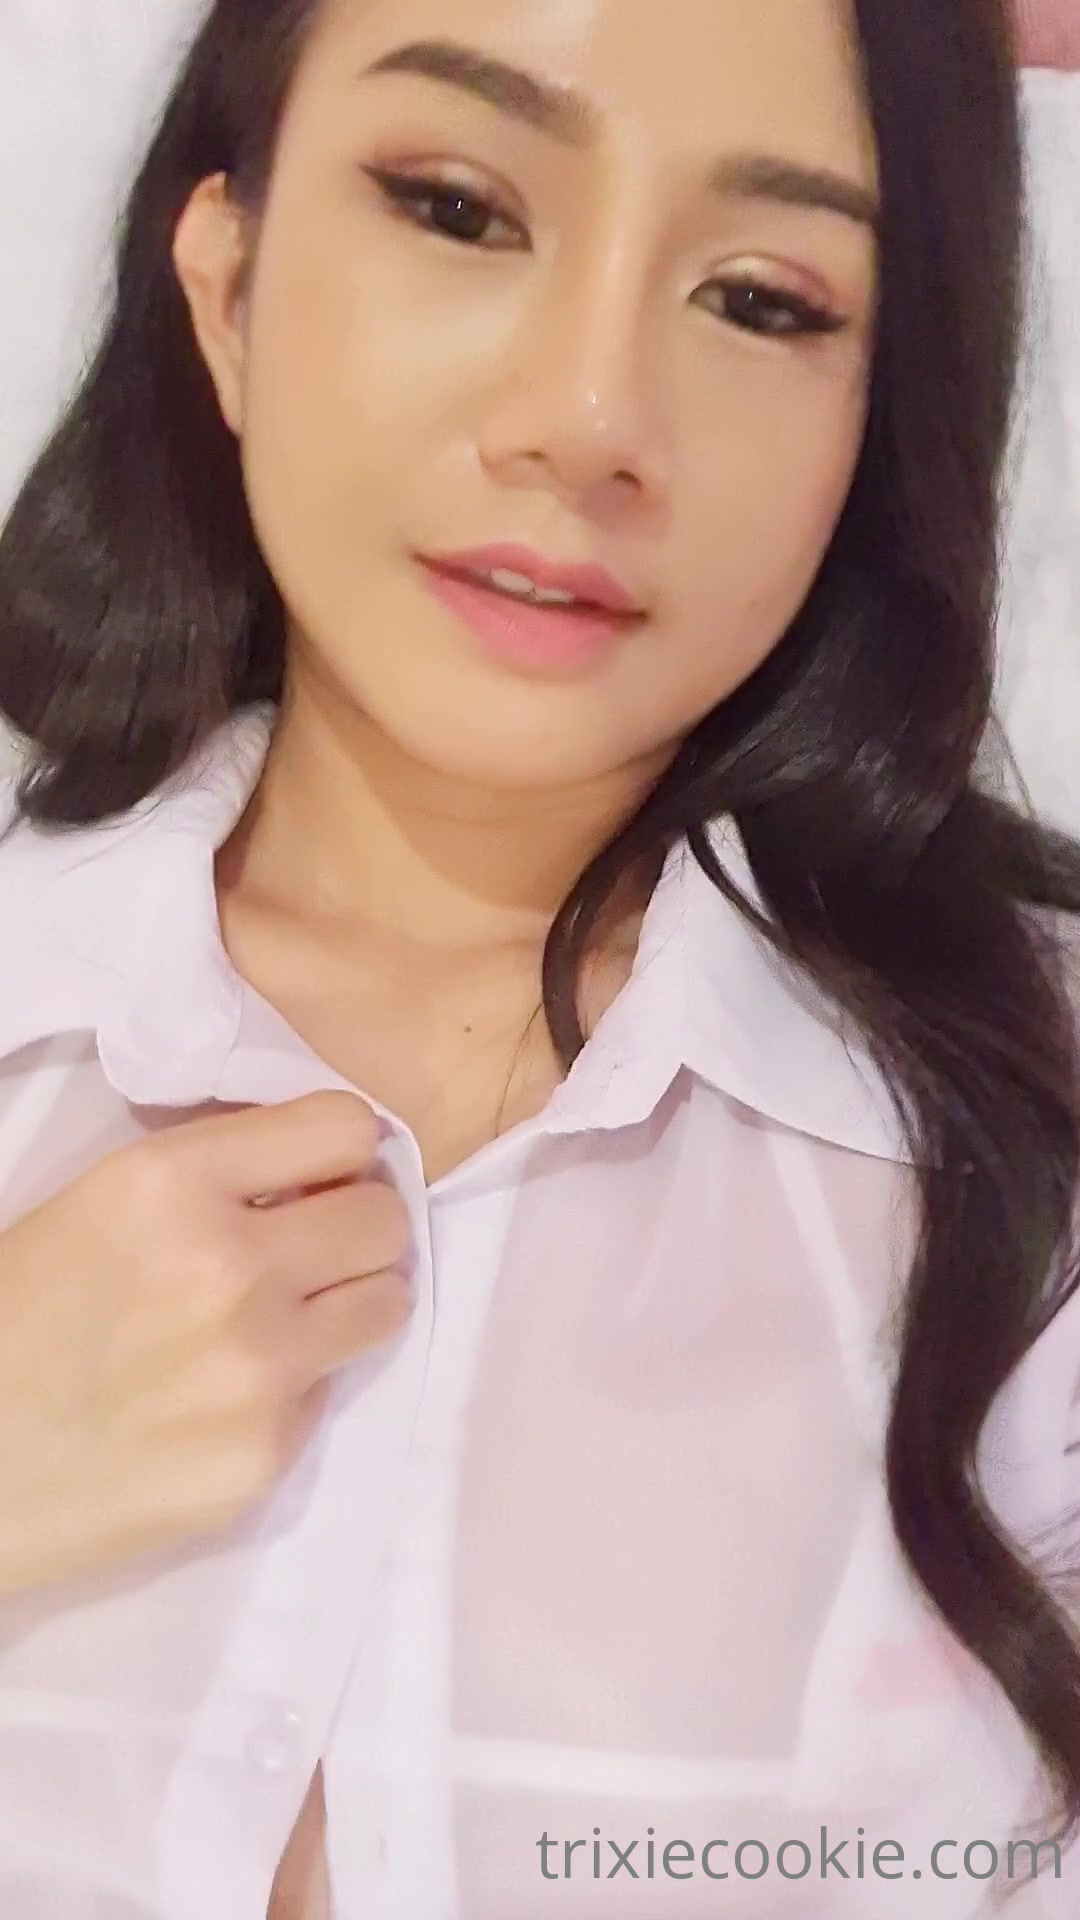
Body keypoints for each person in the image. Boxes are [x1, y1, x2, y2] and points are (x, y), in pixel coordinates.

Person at [0, 0, 1078, 1914]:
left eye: (761, 301)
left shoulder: (1034, 1168)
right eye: (457, 205)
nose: (587, 419)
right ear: (226, 282)